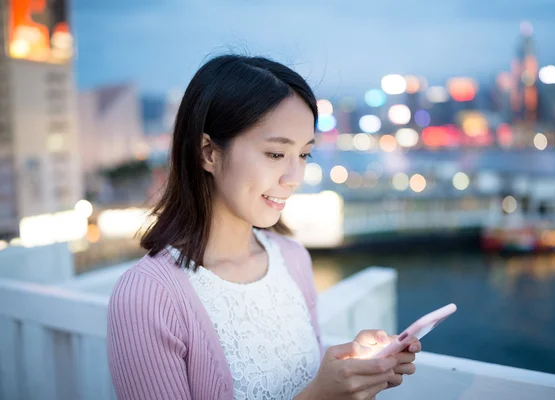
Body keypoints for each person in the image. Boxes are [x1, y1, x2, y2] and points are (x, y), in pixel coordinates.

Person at [106, 54, 422, 400]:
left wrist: (352, 370)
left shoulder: (292, 258)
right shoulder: (147, 296)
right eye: (275, 154)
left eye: (304, 155)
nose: (294, 178)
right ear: (209, 152)